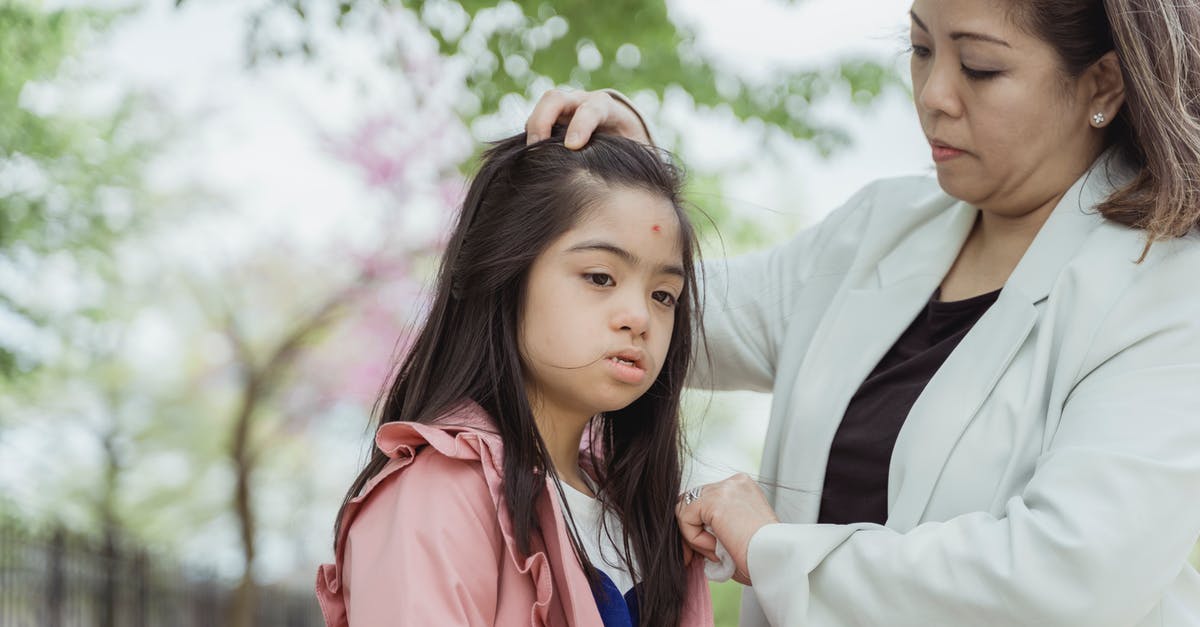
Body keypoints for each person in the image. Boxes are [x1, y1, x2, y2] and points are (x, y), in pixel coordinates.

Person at [525, 0, 1200, 625]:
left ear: (1103, 84)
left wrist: (777, 551)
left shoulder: (1165, 284)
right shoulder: (878, 230)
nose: (934, 95)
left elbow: (1073, 575)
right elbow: (662, 321)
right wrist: (623, 189)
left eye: (980, 67)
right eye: (920, 47)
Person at [314, 129, 714, 626]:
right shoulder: (438, 492)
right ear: (505, 276)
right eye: (600, 277)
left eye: (663, 295)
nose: (639, 316)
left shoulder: (644, 515)